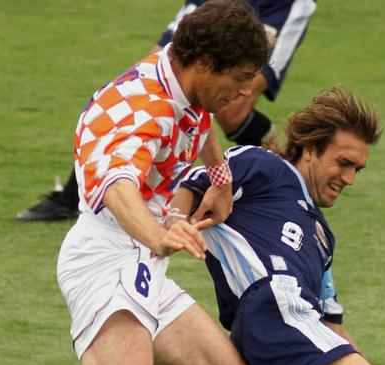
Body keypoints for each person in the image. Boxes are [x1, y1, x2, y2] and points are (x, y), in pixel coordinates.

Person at [56, 1, 269, 365]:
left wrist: (220, 178)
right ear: (204, 62)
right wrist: (159, 235)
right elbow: (118, 184)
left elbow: (199, 121)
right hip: (106, 262)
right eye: (239, 78)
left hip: (142, 263)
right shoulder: (144, 110)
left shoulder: (179, 78)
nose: (242, 92)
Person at [16, 0, 317, 222]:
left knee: (232, 106)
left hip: (276, 5)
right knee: (161, 74)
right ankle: (79, 195)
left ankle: (283, 176)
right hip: (219, 7)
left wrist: (220, 178)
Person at [169, 86, 385, 365]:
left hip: (293, 323)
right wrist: (172, 224)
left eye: (357, 170)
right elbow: (195, 182)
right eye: (343, 163)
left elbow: (331, 326)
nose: (349, 179)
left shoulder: (323, 239)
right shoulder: (264, 166)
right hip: (272, 309)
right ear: (310, 149)